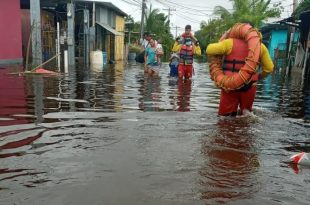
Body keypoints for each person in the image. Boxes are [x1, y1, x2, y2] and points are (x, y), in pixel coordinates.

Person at [206, 22, 274, 116]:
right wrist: (258, 77)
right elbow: (269, 68)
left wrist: (224, 36)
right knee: (246, 114)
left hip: (229, 84)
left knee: (225, 117)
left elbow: (209, 49)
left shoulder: (229, 43)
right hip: (250, 85)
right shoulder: (260, 47)